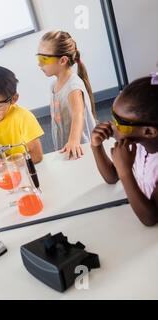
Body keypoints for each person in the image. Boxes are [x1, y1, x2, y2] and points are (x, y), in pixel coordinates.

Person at [90, 76, 158, 226]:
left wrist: (125, 171)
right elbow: (112, 177)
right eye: (113, 117)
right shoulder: (139, 143)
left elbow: (151, 218)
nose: (112, 127)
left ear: (148, 131)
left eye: (120, 124)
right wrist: (96, 146)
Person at [38, 30, 97, 160]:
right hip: (66, 145)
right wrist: (58, 145)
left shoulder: (73, 86)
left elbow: (78, 115)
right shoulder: (53, 85)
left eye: (44, 59)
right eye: (38, 57)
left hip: (81, 147)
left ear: (63, 60)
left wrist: (73, 141)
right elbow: (57, 120)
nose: (39, 64)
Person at [0, 66, 44, 175]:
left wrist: (6, 165)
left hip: (29, 170)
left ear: (14, 99)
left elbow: (37, 155)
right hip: (9, 173)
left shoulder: (23, 117)